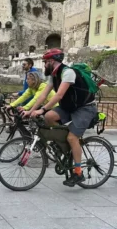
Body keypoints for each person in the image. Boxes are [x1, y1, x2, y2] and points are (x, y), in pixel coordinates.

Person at [23, 48, 97, 187]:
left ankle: (78, 172)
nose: (44, 65)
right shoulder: (54, 76)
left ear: (52, 61)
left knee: (72, 137)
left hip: (85, 108)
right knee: (49, 117)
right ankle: (64, 146)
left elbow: (59, 96)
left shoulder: (67, 73)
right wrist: (31, 110)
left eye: (45, 62)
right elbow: (42, 95)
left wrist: (42, 109)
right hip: (69, 107)